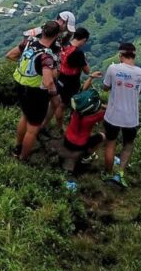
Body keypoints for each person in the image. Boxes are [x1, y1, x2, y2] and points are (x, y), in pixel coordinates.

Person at [7, 20, 61, 161]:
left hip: (20, 86)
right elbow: (47, 81)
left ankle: (17, 147)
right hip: (35, 93)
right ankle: (23, 157)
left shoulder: (28, 43)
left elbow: (10, 55)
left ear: (42, 31)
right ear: (56, 36)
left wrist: (27, 67)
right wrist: (52, 87)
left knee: (25, 116)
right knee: (33, 128)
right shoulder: (46, 56)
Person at [102, 42, 141, 188]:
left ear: (120, 55)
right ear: (134, 56)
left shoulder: (113, 68)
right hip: (131, 118)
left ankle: (107, 173)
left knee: (110, 143)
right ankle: (120, 174)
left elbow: (105, 87)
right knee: (128, 145)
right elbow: (139, 92)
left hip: (112, 114)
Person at [52, 27, 103, 130]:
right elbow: (87, 71)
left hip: (60, 78)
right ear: (84, 39)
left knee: (61, 104)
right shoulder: (78, 52)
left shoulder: (65, 44)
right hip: (71, 83)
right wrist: (84, 59)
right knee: (69, 105)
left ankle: (59, 127)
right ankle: (67, 128)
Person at [61, 88, 107, 174]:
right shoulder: (93, 118)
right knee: (103, 136)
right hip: (79, 145)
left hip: (67, 140)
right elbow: (108, 110)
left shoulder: (75, 111)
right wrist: (102, 105)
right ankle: (88, 155)